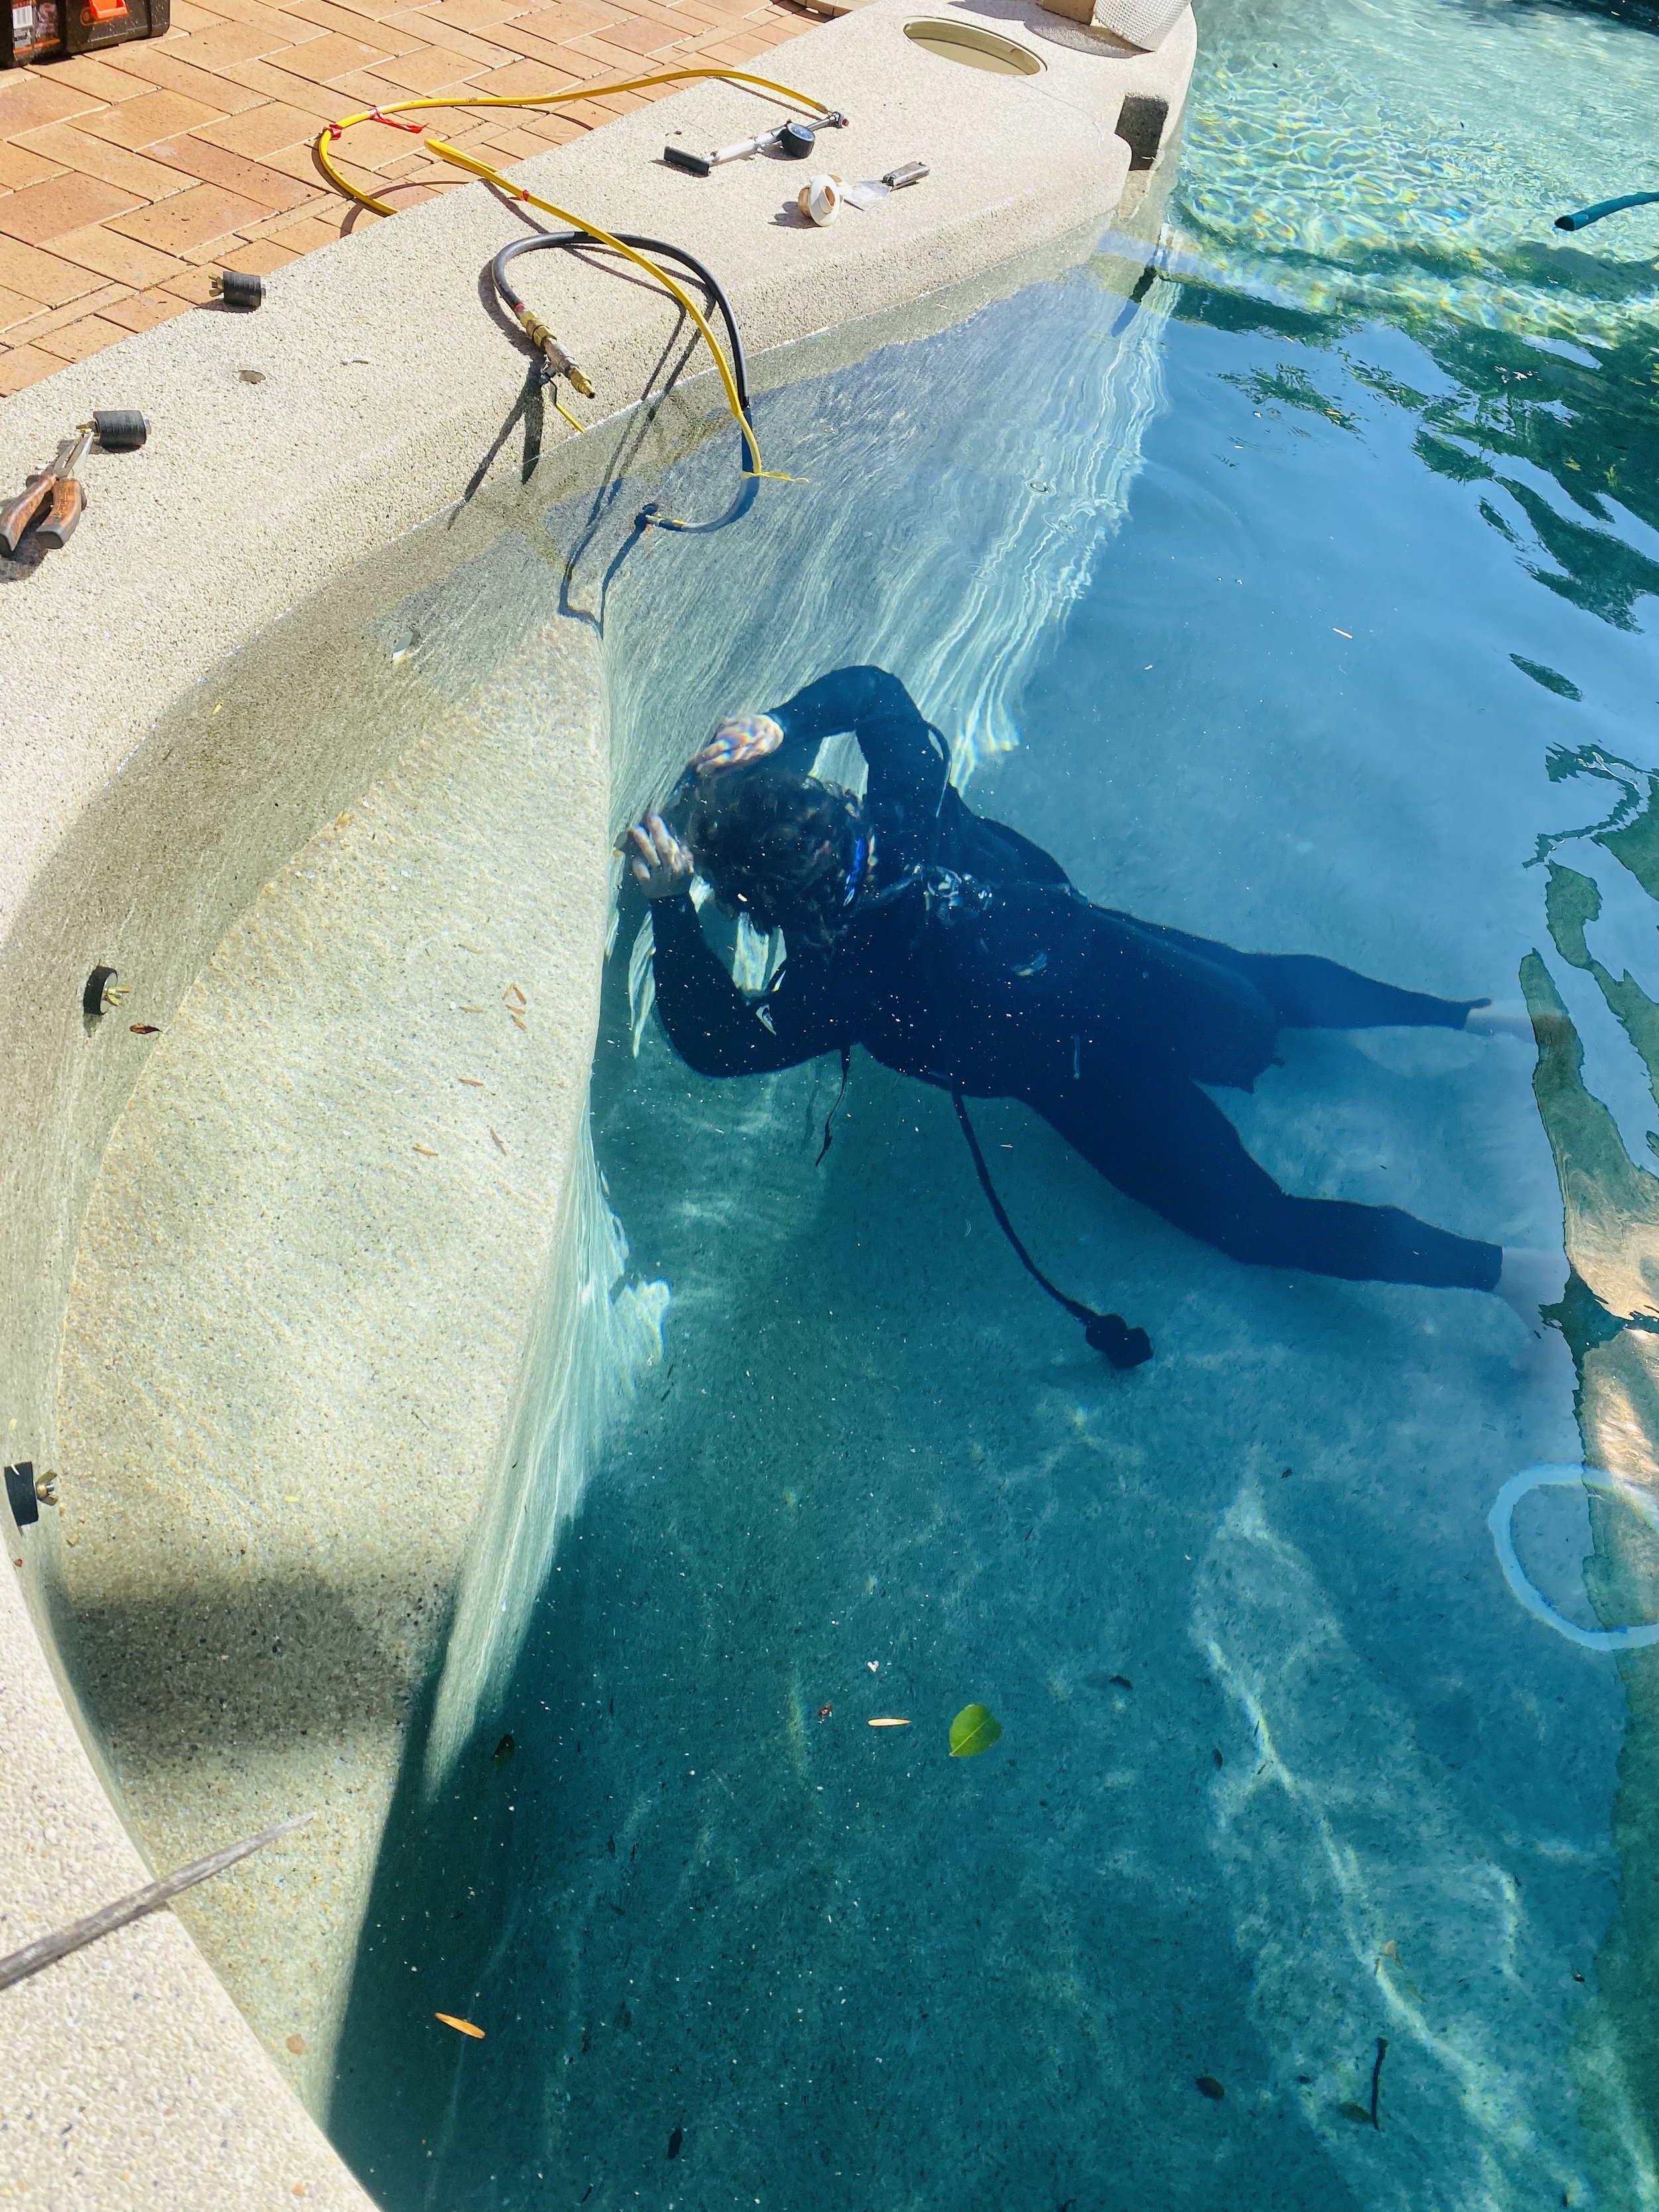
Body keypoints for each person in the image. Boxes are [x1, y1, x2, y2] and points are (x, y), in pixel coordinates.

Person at [626, 664, 1563, 1325]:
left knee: (1251, 1221)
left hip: (1084, 1078)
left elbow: (722, 1047)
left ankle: (1516, 1276)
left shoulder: (847, 984)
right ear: (827, 804)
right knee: (1268, 990)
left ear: (766, 908)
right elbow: (873, 693)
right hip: (1122, 963)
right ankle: (1479, 1020)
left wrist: (671, 911)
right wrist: (788, 722)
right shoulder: (910, 801)